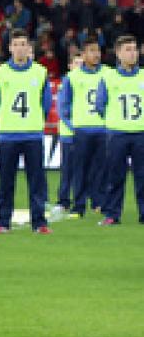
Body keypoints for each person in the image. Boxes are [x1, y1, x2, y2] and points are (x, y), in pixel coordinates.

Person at [0, 30, 54, 235]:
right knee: (5, 182)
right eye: (16, 44)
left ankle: (39, 223)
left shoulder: (40, 72)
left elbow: (46, 103)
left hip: (32, 134)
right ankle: (2, 222)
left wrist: (36, 122)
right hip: (8, 135)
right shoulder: (0, 73)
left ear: (29, 48)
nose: (20, 48)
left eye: (23, 44)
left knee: (36, 182)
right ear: (10, 48)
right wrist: (2, 126)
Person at [53, 40, 106, 220]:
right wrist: (72, 126)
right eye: (92, 51)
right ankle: (79, 205)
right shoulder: (72, 77)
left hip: (103, 129)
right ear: (83, 55)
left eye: (98, 51)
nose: (96, 54)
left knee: (101, 170)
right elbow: (64, 106)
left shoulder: (108, 73)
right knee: (79, 170)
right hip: (82, 130)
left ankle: (100, 203)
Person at [95, 35, 144, 226]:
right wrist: (113, 121)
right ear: (118, 53)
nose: (133, 53)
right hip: (117, 134)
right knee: (115, 176)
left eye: (135, 49)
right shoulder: (108, 78)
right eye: (128, 49)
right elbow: (100, 105)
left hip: (141, 133)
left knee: (142, 176)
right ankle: (112, 214)